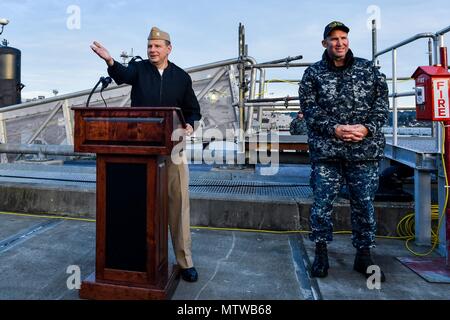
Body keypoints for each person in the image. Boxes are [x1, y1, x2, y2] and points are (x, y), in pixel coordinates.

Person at [90, 26, 201, 282]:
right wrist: (109, 60)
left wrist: (190, 124)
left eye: (157, 46)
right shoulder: (139, 70)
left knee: (178, 202)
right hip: (141, 149)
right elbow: (123, 73)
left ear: (168, 49)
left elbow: (192, 109)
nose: (152, 50)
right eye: (149, 46)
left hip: (173, 149)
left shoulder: (182, 77)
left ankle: (185, 262)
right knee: (139, 204)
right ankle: (138, 260)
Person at [298, 21, 389, 281]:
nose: (340, 43)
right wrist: (334, 128)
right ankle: (321, 253)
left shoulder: (367, 69)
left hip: (363, 151)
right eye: (334, 38)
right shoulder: (313, 74)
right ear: (324, 42)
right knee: (322, 205)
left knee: (364, 205)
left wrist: (367, 128)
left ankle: (364, 256)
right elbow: (309, 110)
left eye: (343, 38)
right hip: (327, 153)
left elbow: (381, 103)